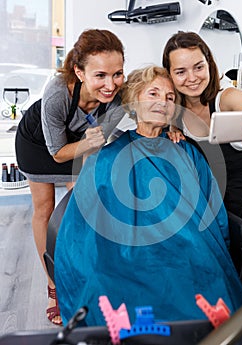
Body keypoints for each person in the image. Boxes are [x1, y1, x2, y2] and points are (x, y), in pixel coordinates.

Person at [54, 65, 242, 329]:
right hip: (122, 253)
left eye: (169, 98)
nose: (163, 102)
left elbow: (212, 212)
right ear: (133, 103)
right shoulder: (108, 155)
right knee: (107, 287)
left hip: (187, 249)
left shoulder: (187, 152)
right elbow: (82, 225)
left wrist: (217, 251)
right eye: (153, 93)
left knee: (207, 283)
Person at [15, 29, 127, 326]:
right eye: (100, 75)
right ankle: (53, 286)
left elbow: (96, 141)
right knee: (45, 210)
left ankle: (87, 279)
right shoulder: (56, 93)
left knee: (86, 207)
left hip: (80, 144)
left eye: (117, 74)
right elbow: (58, 153)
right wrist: (90, 146)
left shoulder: (118, 95)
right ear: (79, 71)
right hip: (40, 144)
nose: (110, 84)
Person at [162, 31, 242, 218]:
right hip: (200, 194)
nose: (193, 77)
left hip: (232, 200)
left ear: (209, 65)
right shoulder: (175, 109)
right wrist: (173, 133)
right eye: (181, 72)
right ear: (170, 75)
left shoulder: (228, 98)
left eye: (198, 67)